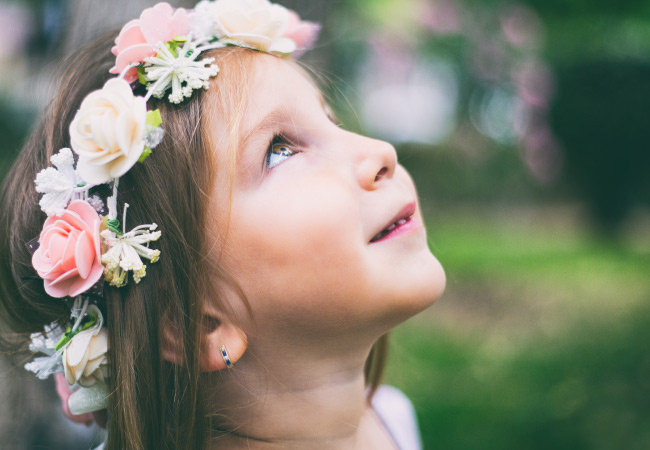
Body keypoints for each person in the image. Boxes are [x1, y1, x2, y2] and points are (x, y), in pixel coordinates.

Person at [0, 1, 446, 449]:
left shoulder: (393, 420)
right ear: (198, 323)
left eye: (333, 121)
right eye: (280, 151)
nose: (380, 152)